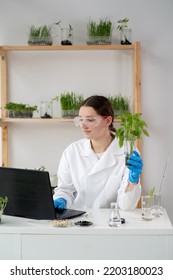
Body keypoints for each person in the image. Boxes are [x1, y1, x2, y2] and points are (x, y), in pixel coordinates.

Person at [53, 95, 143, 210]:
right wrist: (61, 199)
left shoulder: (128, 150)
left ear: (108, 121)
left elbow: (127, 206)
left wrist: (132, 181)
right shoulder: (72, 151)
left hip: (112, 221)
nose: (83, 125)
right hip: (80, 220)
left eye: (90, 120)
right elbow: (64, 190)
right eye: (80, 119)